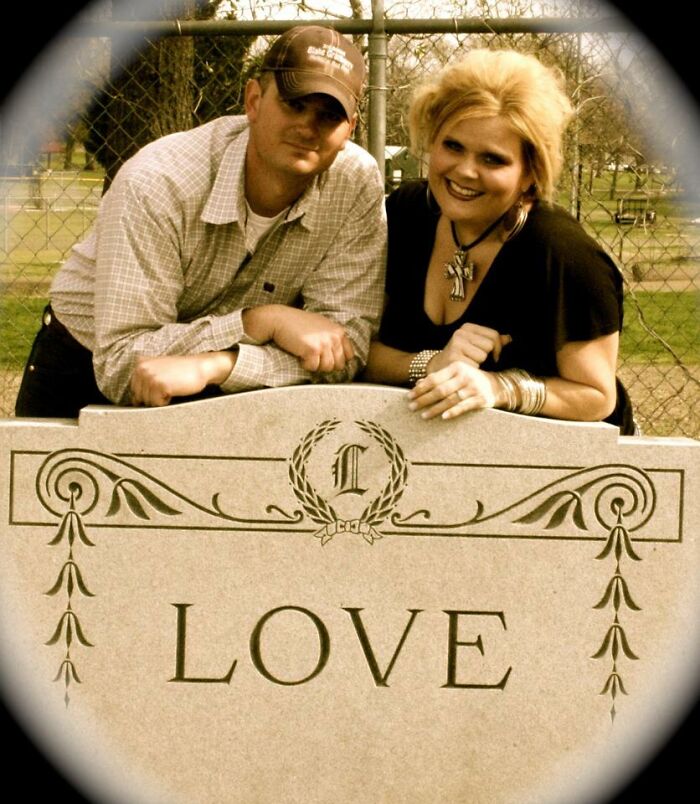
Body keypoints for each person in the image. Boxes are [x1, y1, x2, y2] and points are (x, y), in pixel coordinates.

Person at [15, 25, 386, 417]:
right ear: (254, 100)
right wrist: (262, 322)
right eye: (294, 104)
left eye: (328, 115)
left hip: (236, 381)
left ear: (351, 128)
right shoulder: (158, 182)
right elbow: (123, 363)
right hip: (83, 364)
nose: (308, 127)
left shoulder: (356, 183)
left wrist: (222, 364)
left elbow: (347, 349)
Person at [363, 48, 636, 434]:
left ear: (530, 173)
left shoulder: (562, 253)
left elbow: (595, 396)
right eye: (452, 146)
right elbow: (361, 352)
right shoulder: (406, 214)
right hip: (440, 449)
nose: (465, 172)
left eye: (493, 159)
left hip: (565, 464)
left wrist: (498, 386)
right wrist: (432, 363)